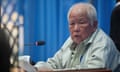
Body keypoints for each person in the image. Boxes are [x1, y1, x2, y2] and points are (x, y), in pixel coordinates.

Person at [33, 2, 120, 72]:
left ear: (94, 25)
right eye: (72, 24)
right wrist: (35, 68)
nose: (76, 29)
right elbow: (54, 63)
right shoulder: (72, 40)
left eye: (81, 22)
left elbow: (93, 70)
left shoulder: (103, 43)